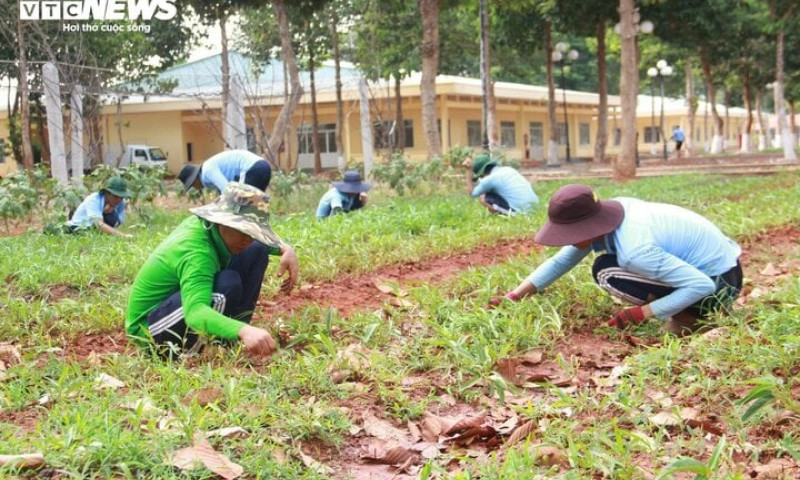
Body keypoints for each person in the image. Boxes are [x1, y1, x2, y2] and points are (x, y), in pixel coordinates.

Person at [490, 184, 743, 336]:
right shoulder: (616, 213)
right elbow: (561, 261)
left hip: (718, 286)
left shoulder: (636, 250)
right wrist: (515, 295)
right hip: (728, 268)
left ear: (587, 226)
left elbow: (702, 286)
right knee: (609, 264)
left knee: (606, 271)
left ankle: (689, 316)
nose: (566, 239)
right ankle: (683, 306)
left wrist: (641, 314)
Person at [125, 183, 299, 358]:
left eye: (253, 233)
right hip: (150, 328)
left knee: (257, 250)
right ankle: (193, 351)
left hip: (175, 305)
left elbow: (259, 244)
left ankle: (231, 342)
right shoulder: (198, 253)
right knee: (227, 283)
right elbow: (195, 313)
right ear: (222, 221)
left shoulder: (208, 227)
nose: (248, 239)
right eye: (243, 231)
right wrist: (243, 330)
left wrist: (285, 249)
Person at [461, 153, 538, 215]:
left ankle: (506, 214)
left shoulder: (490, 179)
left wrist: (468, 170)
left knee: (484, 197)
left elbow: (472, 193)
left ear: (482, 173)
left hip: (522, 213)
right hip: (535, 208)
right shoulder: (507, 169)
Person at [62, 176, 133, 237]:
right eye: (115, 197)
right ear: (107, 193)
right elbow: (99, 224)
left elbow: (117, 223)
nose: (119, 200)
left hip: (96, 229)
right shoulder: (93, 200)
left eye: (121, 197)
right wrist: (123, 236)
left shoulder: (121, 203)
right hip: (79, 227)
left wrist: (109, 214)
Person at [178, 149, 272, 193]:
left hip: (252, 168)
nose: (195, 188)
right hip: (263, 166)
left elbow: (226, 189)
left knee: (240, 203)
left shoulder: (207, 170)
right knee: (255, 205)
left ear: (195, 180)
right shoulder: (208, 168)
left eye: (192, 185)